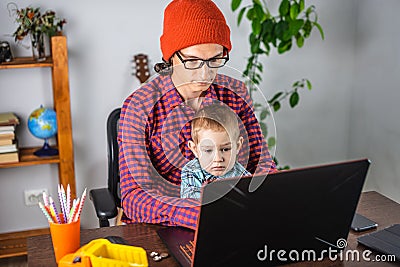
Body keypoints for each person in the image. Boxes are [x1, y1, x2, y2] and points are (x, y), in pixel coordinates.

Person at [119, 0, 276, 230]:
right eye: (193, 61)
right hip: (165, 226)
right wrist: (195, 214)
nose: (205, 73)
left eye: (214, 60)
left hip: (233, 219)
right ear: (171, 57)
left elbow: (261, 164)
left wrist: (275, 194)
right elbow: (134, 198)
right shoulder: (139, 108)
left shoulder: (236, 94)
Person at [181, 104, 251, 199]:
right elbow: (193, 206)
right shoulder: (191, 171)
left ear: (238, 146)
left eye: (225, 149)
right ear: (195, 149)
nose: (218, 159)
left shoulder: (243, 176)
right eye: (208, 150)